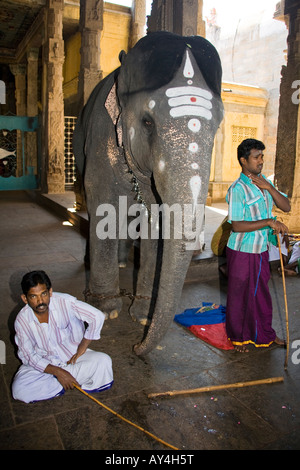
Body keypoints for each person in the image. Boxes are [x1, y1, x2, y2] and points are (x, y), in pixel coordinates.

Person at [225, 139, 291, 353]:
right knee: (240, 295)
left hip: (261, 249)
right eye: (256, 157)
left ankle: (264, 334)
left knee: (261, 294)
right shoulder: (238, 188)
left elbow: (286, 206)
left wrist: (269, 187)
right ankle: (239, 337)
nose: (261, 161)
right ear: (244, 161)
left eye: (262, 156)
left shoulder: (264, 183)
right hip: (242, 251)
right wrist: (269, 222)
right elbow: (236, 225)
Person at [12, 270, 113, 403]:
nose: (40, 301)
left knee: (104, 361)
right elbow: (29, 356)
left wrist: (82, 347)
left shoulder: (65, 302)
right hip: (45, 364)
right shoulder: (21, 321)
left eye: (44, 294)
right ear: (25, 298)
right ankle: (66, 379)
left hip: (72, 358)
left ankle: (59, 382)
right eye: (33, 297)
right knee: (19, 389)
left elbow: (97, 316)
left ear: (50, 292)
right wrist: (58, 372)